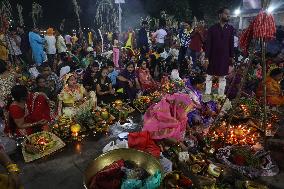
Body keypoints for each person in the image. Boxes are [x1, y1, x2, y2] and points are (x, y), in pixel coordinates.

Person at [205, 7, 234, 97]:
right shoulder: (212, 29)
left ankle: (220, 96)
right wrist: (206, 58)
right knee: (209, 76)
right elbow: (208, 44)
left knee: (222, 77)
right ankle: (207, 94)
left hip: (224, 57)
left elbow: (231, 43)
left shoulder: (230, 28)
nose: (228, 15)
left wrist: (231, 56)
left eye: (229, 13)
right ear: (220, 15)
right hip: (213, 56)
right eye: (226, 13)